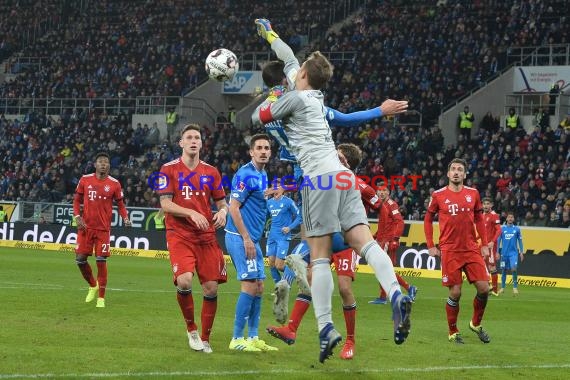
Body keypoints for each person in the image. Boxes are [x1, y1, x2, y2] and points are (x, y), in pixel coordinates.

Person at [254, 18, 412, 363]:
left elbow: (257, 118)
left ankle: (325, 327)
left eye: (297, 71)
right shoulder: (315, 96)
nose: (293, 71)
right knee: (364, 241)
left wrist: (273, 95)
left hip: (318, 178)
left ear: (303, 76)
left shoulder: (294, 98)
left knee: (320, 254)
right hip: (343, 176)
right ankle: (396, 293)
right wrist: (268, 33)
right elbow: (290, 57)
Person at [266, 143, 383, 360]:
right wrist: (286, 188)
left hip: (346, 244)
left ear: (344, 161)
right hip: (326, 238)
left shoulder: (355, 183)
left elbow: (380, 205)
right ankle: (291, 328)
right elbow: (304, 185)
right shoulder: (324, 178)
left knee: (344, 288)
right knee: (310, 278)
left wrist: (367, 230)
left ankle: (350, 340)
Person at [157, 124, 229, 354]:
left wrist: (223, 213)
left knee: (211, 289)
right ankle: (192, 330)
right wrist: (191, 212)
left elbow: (221, 203)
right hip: (179, 233)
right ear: (181, 143)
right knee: (184, 281)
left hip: (206, 235)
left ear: (201, 143)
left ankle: (205, 338)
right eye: (188, 137)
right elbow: (165, 204)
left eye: (197, 137)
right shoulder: (168, 169)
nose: (193, 140)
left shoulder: (211, 172)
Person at [424, 158, 491, 344]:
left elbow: (479, 218)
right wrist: (430, 244)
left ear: (465, 174)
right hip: (450, 250)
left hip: (471, 248)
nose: (456, 172)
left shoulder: (473, 193)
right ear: (447, 173)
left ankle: (475, 324)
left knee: (484, 288)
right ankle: (453, 331)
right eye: (453, 169)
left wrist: (484, 243)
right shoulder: (438, 195)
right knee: (455, 292)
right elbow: (428, 219)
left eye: (460, 169)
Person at [225, 134, 278, 352]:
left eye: (267, 148)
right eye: (259, 148)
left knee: (259, 287)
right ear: (251, 151)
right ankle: (237, 339)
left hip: (252, 238)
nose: (264, 151)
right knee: (249, 285)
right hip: (239, 237)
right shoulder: (245, 174)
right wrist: (246, 238)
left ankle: (253, 337)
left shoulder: (263, 174)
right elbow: (233, 207)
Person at [73, 152, 131, 309]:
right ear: (95, 164)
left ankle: (101, 298)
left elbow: (120, 204)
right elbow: (76, 200)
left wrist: (125, 218)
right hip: (86, 228)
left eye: (106, 162)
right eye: (100, 162)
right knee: (80, 259)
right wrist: (77, 216)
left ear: (109, 166)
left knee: (101, 261)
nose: (103, 164)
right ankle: (93, 285)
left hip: (103, 230)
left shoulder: (114, 184)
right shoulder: (85, 180)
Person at [370, 183, 417, 304]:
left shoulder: (391, 204)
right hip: (382, 240)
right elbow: (384, 224)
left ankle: (407, 288)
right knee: (383, 268)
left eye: (384, 190)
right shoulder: (381, 205)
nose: (381, 192)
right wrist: (375, 236)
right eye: (379, 190)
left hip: (389, 241)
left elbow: (399, 222)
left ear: (388, 193)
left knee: (384, 269)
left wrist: (395, 239)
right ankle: (384, 296)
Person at [266, 193, 301, 285]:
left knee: (279, 266)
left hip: (283, 237)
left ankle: (297, 273)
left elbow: (299, 216)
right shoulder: (269, 202)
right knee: (271, 264)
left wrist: (289, 227)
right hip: (272, 236)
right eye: (274, 185)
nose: (275, 188)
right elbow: (264, 216)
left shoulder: (288, 201)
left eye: (277, 185)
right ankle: (279, 287)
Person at [497, 212, 524, 295]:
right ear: (506, 219)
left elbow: (520, 241)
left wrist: (521, 252)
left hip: (513, 254)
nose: (510, 218)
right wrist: (497, 252)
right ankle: (502, 288)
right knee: (503, 270)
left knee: (514, 268)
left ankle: (515, 287)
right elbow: (498, 241)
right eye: (509, 217)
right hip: (504, 254)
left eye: (512, 217)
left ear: (514, 219)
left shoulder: (517, 229)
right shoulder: (502, 229)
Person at [482, 198, 502, 296]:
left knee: (491, 267)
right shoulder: (482, 216)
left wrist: (493, 242)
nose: (485, 206)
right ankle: (488, 287)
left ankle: (494, 290)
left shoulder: (494, 216)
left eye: (487, 204)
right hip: (482, 246)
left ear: (491, 205)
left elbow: (499, 230)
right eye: (484, 204)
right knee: (483, 266)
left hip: (490, 246)